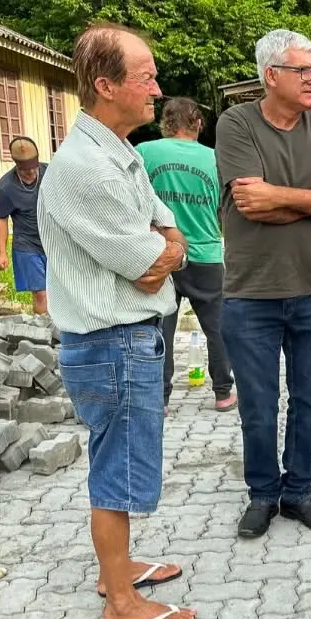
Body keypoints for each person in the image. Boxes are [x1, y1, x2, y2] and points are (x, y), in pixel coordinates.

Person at [38, 24, 196, 619]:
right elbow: (151, 261)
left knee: (124, 467)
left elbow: (169, 234)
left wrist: (165, 250)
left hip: (125, 339)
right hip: (109, 342)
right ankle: (121, 605)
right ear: (105, 86)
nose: (157, 88)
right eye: (145, 76)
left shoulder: (118, 150)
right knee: (117, 475)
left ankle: (120, 568)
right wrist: (163, 252)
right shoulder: (85, 168)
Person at [217, 29, 311, 541]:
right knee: (258, 404)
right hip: (251, 294)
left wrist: (283, 198)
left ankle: (298, 491)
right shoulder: (235, 123)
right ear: (271, 75)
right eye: (304, 70)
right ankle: (261, 493)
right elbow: (250, 206)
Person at [138, 97, 236, 415]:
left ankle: (161, 399)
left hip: (159, 254)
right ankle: (223, 393)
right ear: (197, 123)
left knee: (159, 329)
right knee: (218, 328)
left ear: (165, 122)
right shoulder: (216, 159)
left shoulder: (143, 153)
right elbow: (226, 208)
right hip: (205, 255)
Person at [0, 137, 49, 315]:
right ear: (17, 166)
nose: (32, 173)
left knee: (63, 292)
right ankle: (45, 335)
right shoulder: (6, 186)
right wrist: (2, 253)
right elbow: (1, 219)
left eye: (34, 168)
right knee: (40, 293)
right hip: (27, 245)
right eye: (26, 171)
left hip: (54, 242)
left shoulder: (51, 173)